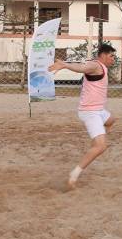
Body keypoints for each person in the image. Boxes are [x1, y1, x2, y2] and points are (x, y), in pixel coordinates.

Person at [48, 44, 117, 189]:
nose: (113, 59)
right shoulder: (95, 65)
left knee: (111, 120)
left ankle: (99, 136)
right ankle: (74, 175)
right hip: (90, 112)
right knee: (101, 146)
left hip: (99, 110)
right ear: (103, 55)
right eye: (111, 56)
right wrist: (65, 65)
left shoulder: (99, 66)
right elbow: (83, 68)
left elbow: (83, 66)